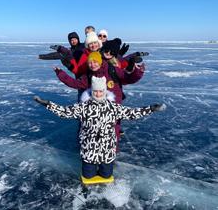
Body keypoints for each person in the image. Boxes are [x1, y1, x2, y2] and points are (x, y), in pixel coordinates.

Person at [34, 76, 166, 179]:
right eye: (95, 91)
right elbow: (65, 112)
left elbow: (131, 113)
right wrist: (48, 104)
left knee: (106, 175)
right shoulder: (83, 107)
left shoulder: (113, 107)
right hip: (89, 149)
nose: (98, 94)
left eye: (100, 91)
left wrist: (150, 109)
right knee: (88, 176)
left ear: (104, 90)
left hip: (107, 149)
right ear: (92, 91)